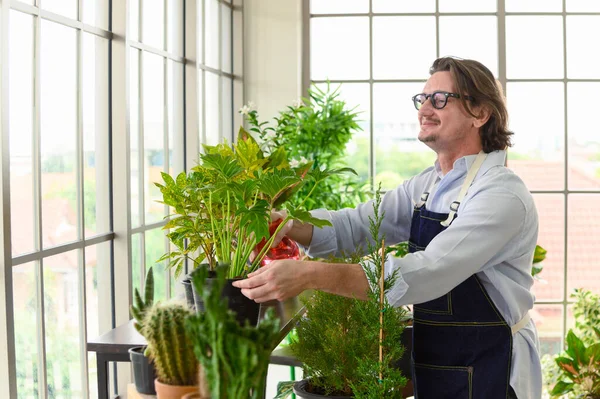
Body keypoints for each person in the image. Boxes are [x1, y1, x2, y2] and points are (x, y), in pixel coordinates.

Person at [233, 56, 542, 399]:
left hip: (491, 370)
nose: (424, 108)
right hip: (439, 362)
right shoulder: (428, 184)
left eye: (440, 99)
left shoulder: (499, 193)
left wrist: (308, 275)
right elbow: (357, 226)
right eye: (422, 99)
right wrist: (289, 225)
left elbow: (426, 272)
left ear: (480, 114)